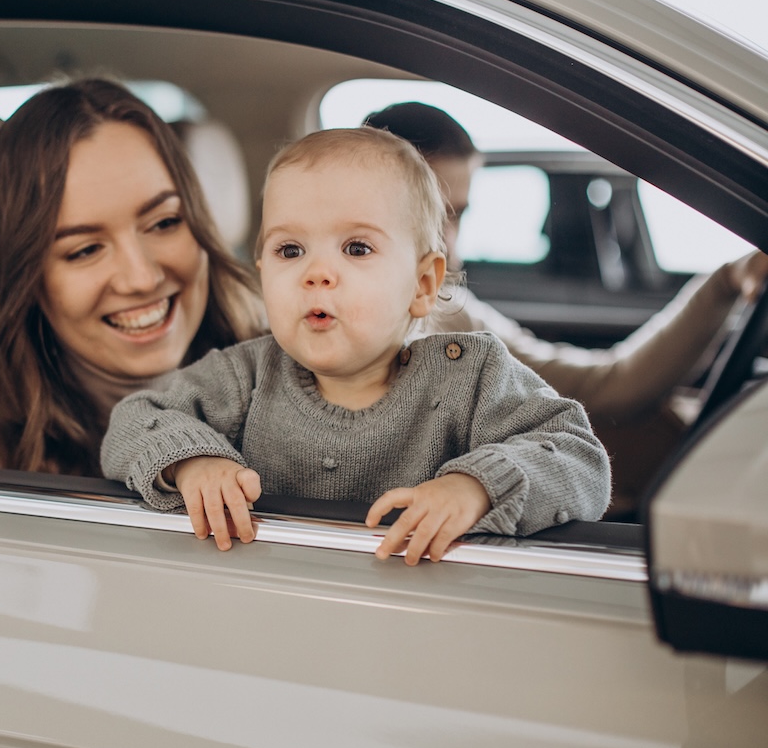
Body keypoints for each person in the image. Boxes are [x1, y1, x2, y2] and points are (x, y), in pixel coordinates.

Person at [101, 127, 611, 563]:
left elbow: (578, 456)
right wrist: (191, 463)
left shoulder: (471, 375)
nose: (316, 273)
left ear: (423, 285)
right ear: (263, 275)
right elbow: (133, 420)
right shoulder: (246, 376)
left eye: (357, 248)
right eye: (290, 250)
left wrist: (477, 486)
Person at [362, 101, 768, 423]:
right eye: (432, 215)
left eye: (458, 214)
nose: (449, 245)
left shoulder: (452, 311)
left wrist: (726, 281)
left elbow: (605, 388)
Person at [0, 79, 263, 475]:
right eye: (84, 250)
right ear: (26, 282)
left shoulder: (302, 378)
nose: (142, 278)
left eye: (164, 222)